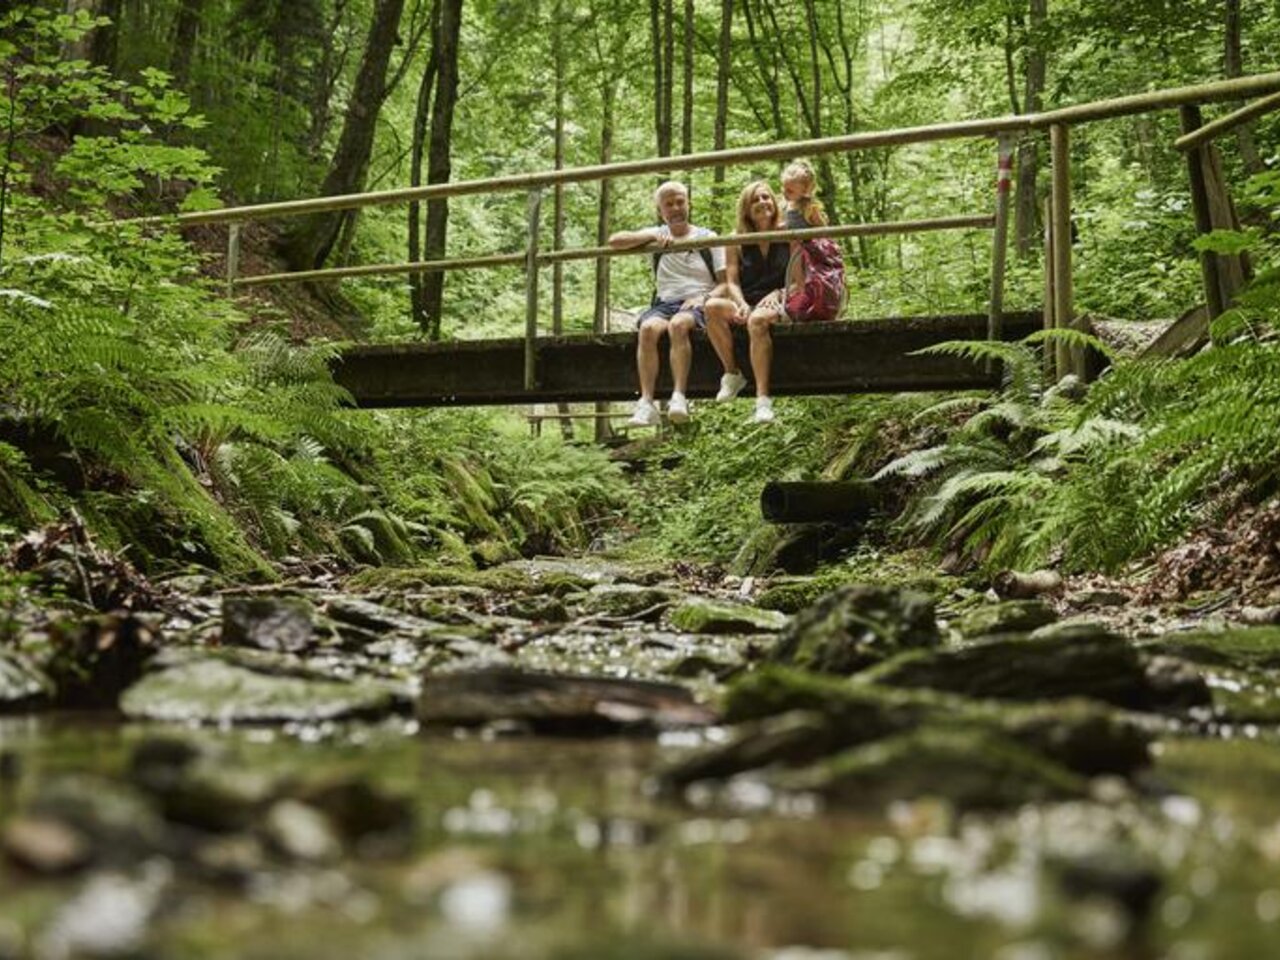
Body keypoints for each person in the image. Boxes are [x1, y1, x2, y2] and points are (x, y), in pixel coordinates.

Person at [608, 180, 726, 426]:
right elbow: (614, 241)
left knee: (678, 326)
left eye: (680, 202)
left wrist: (703, 298)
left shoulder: (708, 237)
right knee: (648, 329)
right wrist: (651, 235)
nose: (675, 208)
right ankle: (646, 402)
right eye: (669, 204)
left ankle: (679, 396)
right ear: (661, 210)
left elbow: (725, 284)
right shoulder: (656, 236)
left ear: (688, 203)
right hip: (664, 304)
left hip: (698, 302)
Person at [703, 180, 792, 423]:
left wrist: (778, 293)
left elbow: (799, 277)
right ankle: (732, 373)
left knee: (757, 321)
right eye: (755, 199)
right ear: (746, 208)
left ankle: (762, 400)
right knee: (711, 307)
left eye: (766, 197)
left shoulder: (789, 232)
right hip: (748, 300)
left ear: (774, 202)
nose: (762, 203)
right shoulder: (736, 238)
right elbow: (731, 281)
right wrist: (740, 303)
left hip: (782, 299)